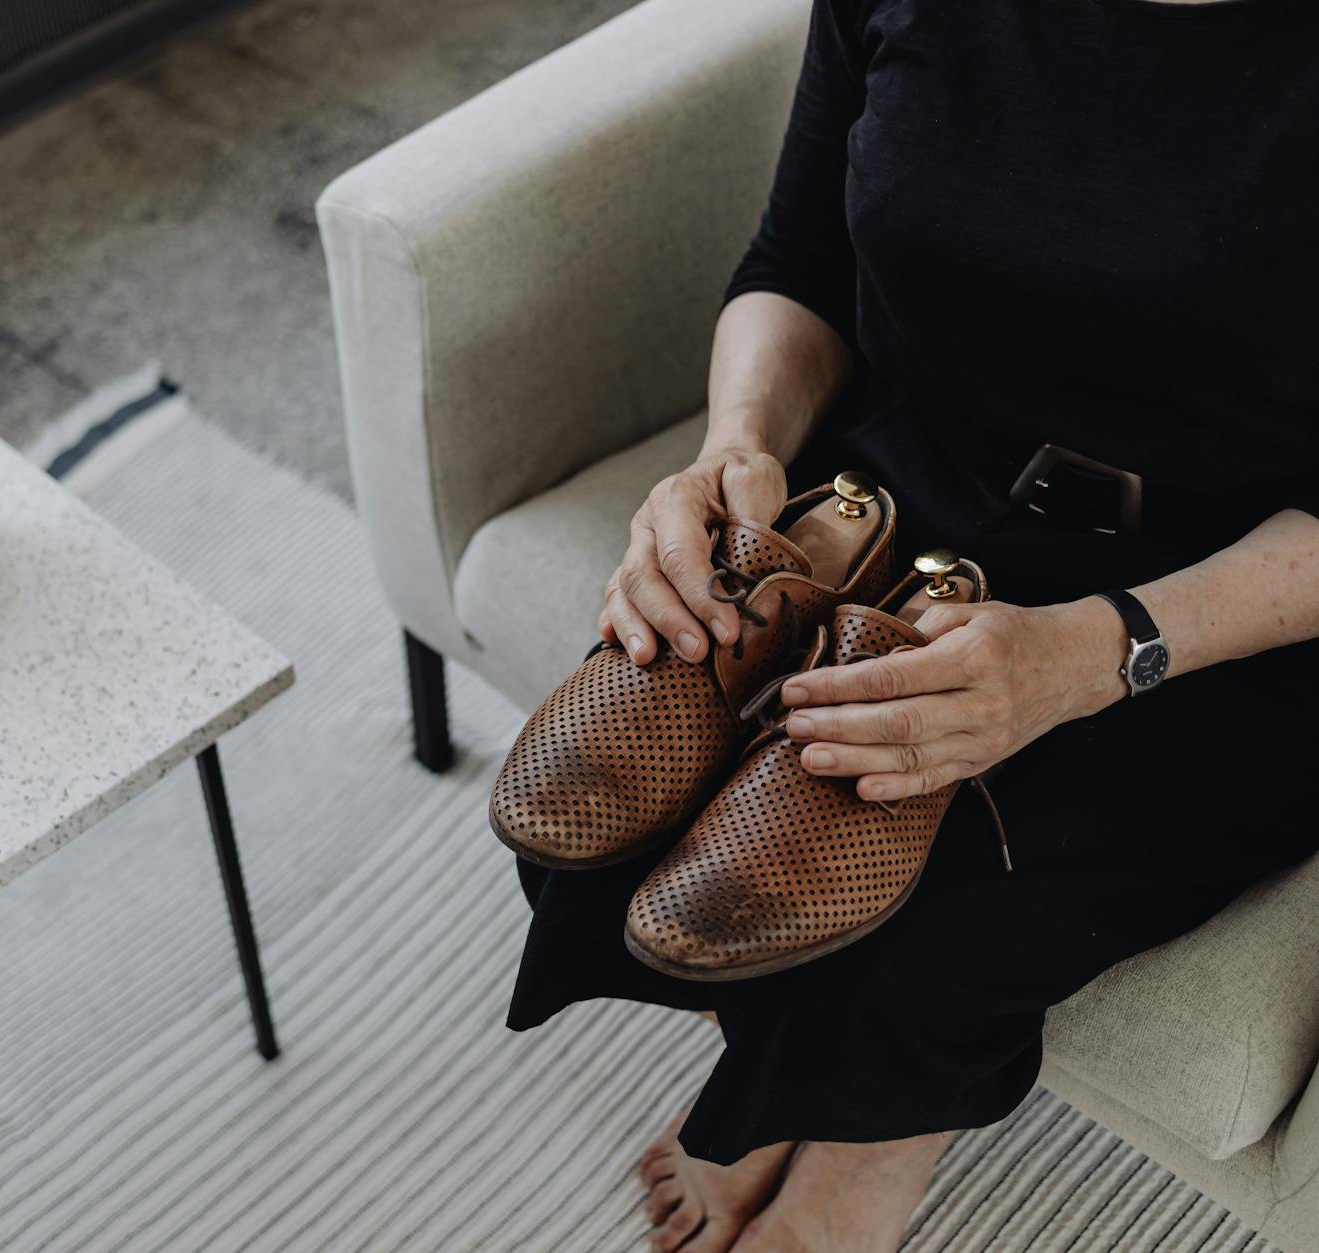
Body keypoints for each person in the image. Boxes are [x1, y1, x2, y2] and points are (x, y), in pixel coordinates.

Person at [505, 1, 1319, 1248]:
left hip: (1222, 591)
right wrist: (733, 450)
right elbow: (797, 265)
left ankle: (861, 1167)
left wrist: (1097, 651)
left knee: (929, 924)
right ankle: (768, 1064)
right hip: (905, 488)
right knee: (613, 794)